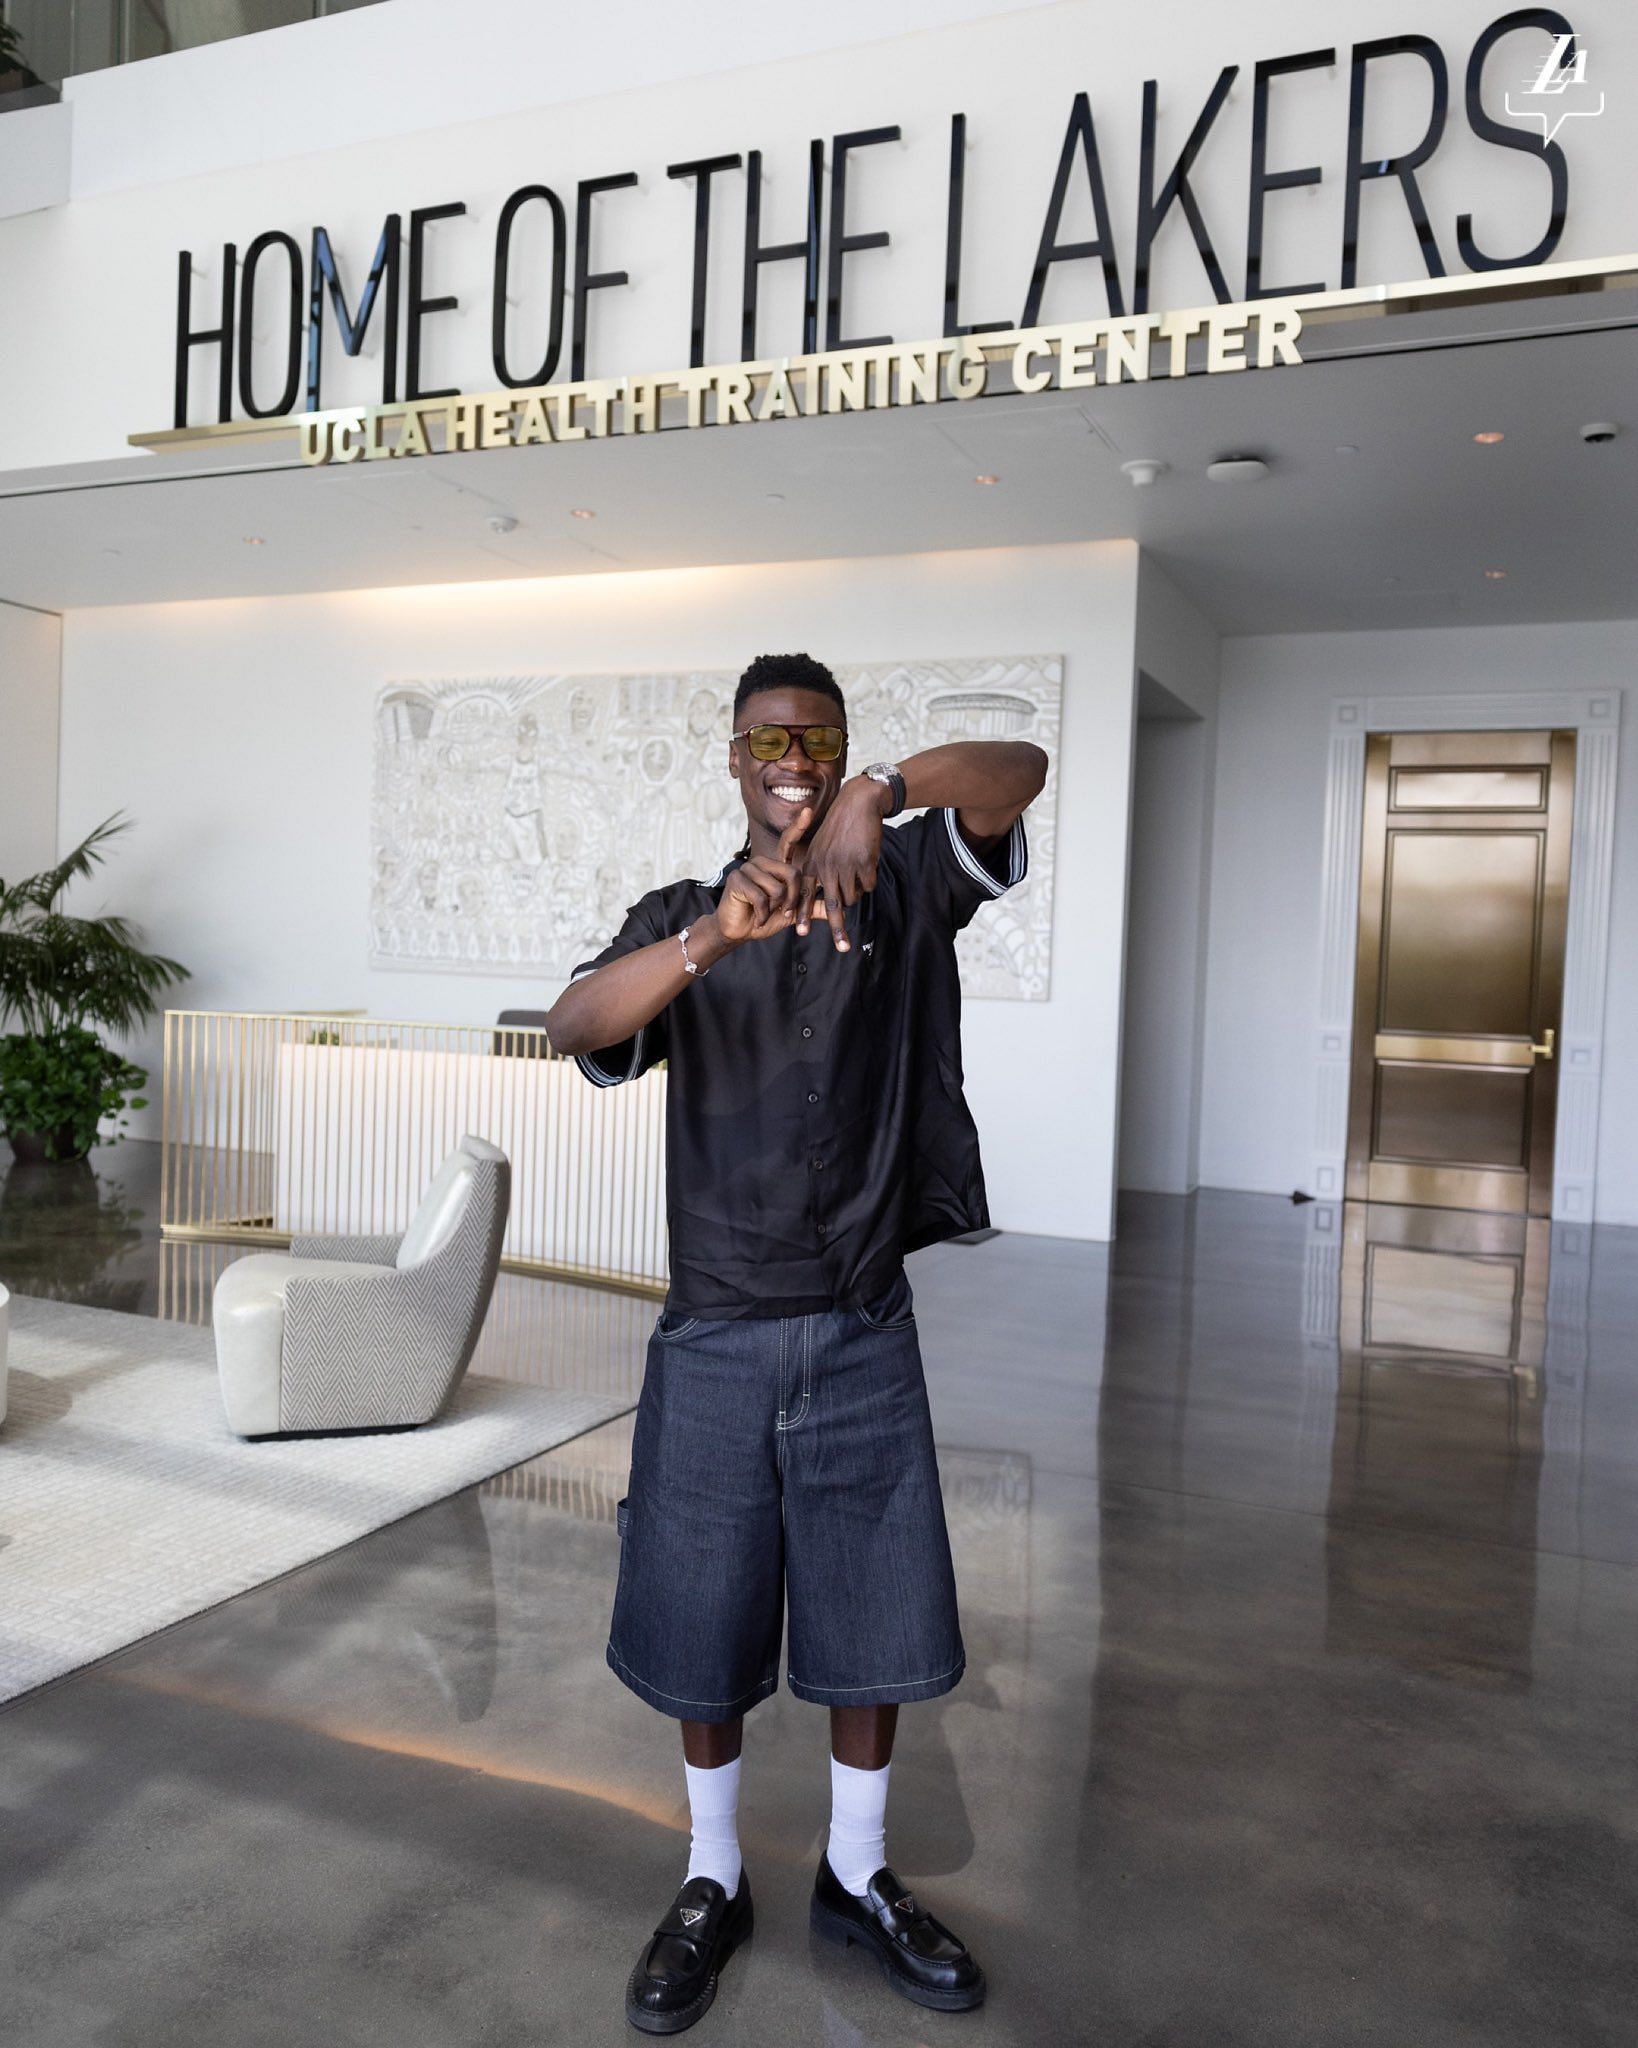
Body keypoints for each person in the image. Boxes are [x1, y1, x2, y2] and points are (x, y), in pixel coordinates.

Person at [546, 651, 1046, 2034]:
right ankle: (713, 1877)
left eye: (816, 738)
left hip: (859, 1319)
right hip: (713, 1327)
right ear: (731, 756)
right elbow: (570, 1026)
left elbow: (1016, 774)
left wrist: (878, 798)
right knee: (699, 1620)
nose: (791, 755)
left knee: (872, 1614)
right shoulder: (676, 914)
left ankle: (857, 1871)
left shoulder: (900, 874)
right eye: (768, 738)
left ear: (834, 753)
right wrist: (713, 938)